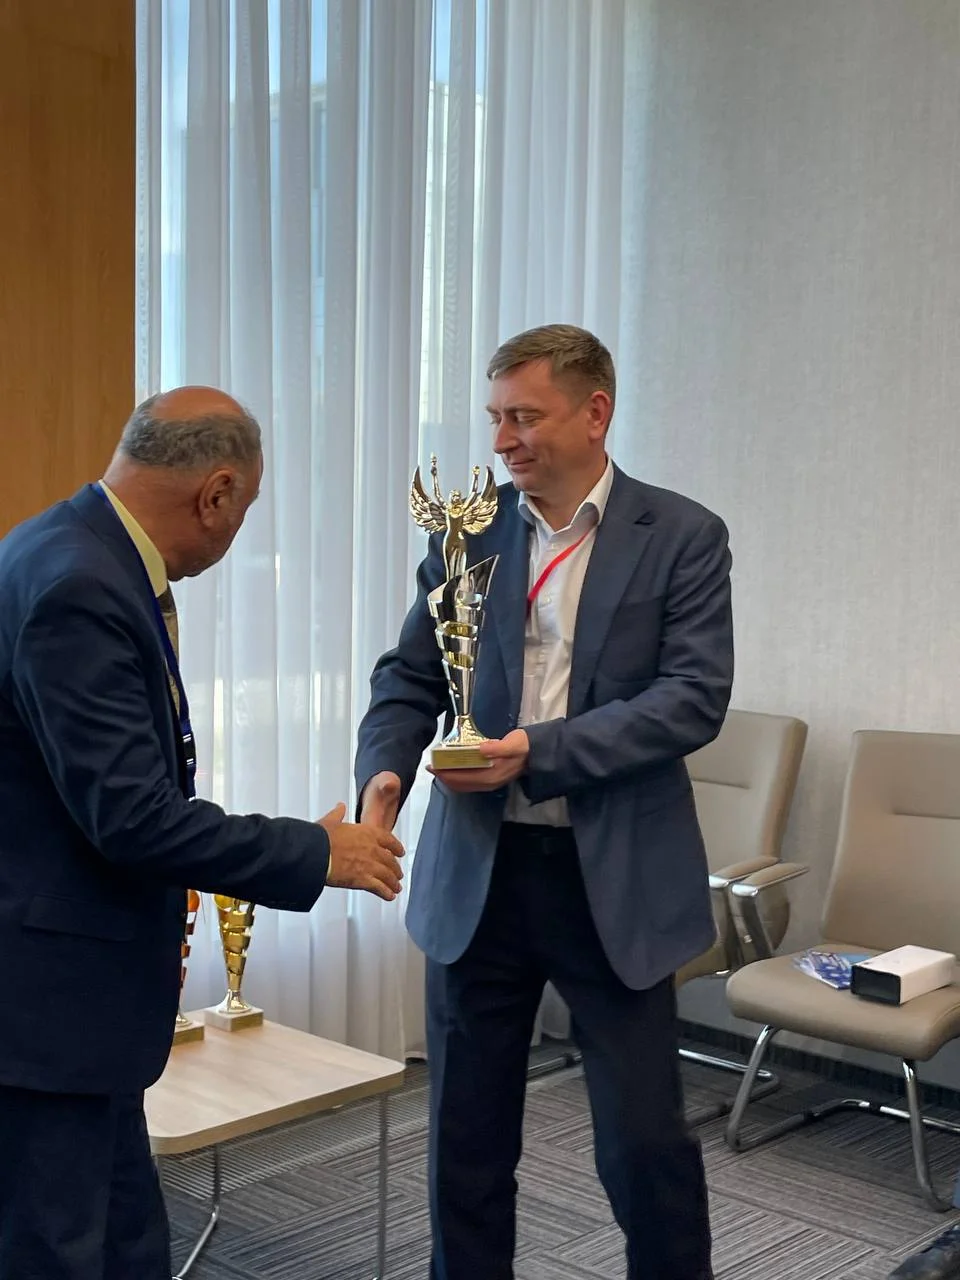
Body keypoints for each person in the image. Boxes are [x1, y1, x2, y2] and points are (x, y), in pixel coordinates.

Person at [356, 324, 734, 1280]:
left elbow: (691, 700)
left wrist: (536, 752)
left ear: (595, 412)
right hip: (478, 878)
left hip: (612, 881)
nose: (502, 440)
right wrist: (383, 775)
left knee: (643, 1144)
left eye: (524, 417)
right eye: (495, 417)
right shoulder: (467, 531)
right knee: (466, 1143)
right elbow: (411, 674)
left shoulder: (681, 536)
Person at [0, 387, 404, 1280]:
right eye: (244, 508)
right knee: (58, 1249)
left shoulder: (64, 546)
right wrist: (315, 854)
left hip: (78, 1007)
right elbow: (131, 818)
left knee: (125, 1242)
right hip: (48, 1007)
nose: (236, 532)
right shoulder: (80, 586)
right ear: (215, 493)